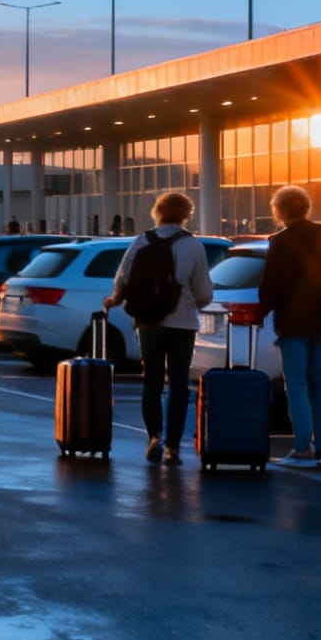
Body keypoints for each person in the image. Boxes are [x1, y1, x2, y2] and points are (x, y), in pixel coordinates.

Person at [255, 184, 321, 468]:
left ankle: (303, 447)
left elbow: (270, 287)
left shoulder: (281, 243)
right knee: (319, 382)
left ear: (280, 211)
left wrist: (260, 312)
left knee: (297, 385)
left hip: (293, 323)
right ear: (305, 208)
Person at [105, 191, 213, 465]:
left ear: (159, 212)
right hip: (183, 323)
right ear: (185, 214)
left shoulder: (142, 240)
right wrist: (194, 303)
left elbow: (124, 275)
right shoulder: (192, 245)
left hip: (148, 321)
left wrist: (116, 298)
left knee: (151, 381)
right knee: (178, 384)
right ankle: (173, 447)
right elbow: (203, 290)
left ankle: (154, 435)